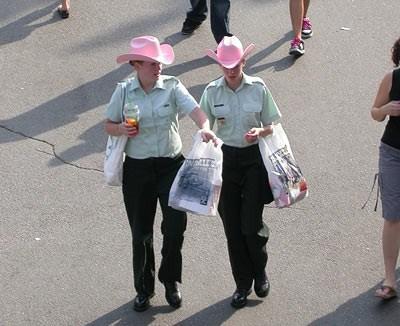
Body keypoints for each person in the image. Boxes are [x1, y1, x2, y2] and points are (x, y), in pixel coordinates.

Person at [105, 35, 216, 312]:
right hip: (138, 170)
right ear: (136, 65)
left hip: (171, 166)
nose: (159, 68)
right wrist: (121, 129)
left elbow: (197, 111)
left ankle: (170, 281)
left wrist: (204, 127)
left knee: (175, 228)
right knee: (141, 233)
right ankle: (143, 289)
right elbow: (108, 124)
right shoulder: (123, 91)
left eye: (160, 63)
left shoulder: (172, 86)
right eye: (152, 63)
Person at [200, 36, 281, 308]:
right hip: (225, 161)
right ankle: (242, 284)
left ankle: (260, 271)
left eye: (235, 63)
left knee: (251, 226)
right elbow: (204, 123)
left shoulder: (258, 88)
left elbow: (272, 123)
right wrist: (207, 133)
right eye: (225, 64)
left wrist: (261, 131)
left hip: (253, 161)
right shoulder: (212, 92)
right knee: (232, 229)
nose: (231, 69)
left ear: (244, 61)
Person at [371, 37, 400, 300]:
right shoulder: (392, 78)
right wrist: (386, 108)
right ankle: (390, 278)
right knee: (393, 216)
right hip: (393, 153)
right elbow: (374, 112)